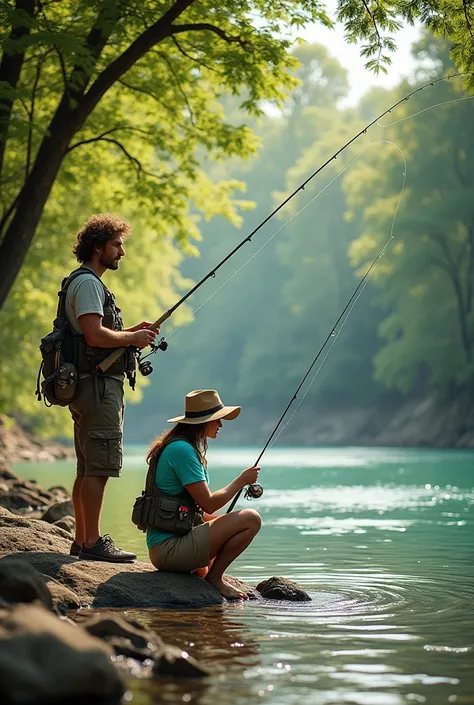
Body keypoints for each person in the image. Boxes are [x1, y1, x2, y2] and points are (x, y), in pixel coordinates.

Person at [66, 214, 157, 562]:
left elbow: (96, 335)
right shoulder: (89, 283)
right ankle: (90, 544)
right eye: (117, 245)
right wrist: (132, 337)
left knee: (86, 468)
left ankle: (81, 539)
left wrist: (132, 332)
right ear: (97, 247)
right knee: (98, 469)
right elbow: (93, 334)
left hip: (88, 387)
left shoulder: (82, 282)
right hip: (98, 389)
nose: (121, 252)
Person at [147, 389, 262, 600]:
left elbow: (199, 511)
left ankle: (208, 573)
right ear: (203, 422)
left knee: (226, 523)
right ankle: (215, 578)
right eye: (217, 420)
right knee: (250, 519)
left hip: (167, 544)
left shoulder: (179, 446)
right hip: (169, 550)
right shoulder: (182, 451)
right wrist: (241, 480)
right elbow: (208, 504)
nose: (221, 425)